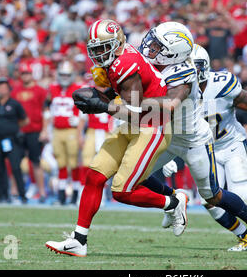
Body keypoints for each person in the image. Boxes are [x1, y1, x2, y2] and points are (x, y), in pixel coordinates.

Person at [46, 19, 186, 257]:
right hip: (135, 123)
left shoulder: (125, 64)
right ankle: (79, 241)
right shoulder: (116, 61)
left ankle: (173, 203)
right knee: (94, 176)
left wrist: (102, 105)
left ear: (117, 42)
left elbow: (138, 110)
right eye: (95, 49)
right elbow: (123, 99)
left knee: (122, 191)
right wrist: (103, 96)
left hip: (152, 126)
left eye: (103, 47)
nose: (99, 54)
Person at [137, 23, 247, 253]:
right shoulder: (171, 77)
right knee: (208, 199)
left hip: (227, 143)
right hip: (183, 141)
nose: (189, 69)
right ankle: (244, 235)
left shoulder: (221, 84)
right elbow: (163, 115)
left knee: (234, 197)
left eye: (194, 66)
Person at [0, 78, 29, 203]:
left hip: (12, 139)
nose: (1, 90)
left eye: (3, 88)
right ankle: (1, 195)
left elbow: (25, 120)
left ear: (8, 90)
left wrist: (14, 128)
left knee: (15, 167)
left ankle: (22, 195)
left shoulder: (14, 104)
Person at [45, 60, 84, 205]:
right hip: (57, 130)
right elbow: (47, 109)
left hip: (71, 131)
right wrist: (46, 129)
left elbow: (83, 113)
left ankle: (74, 195)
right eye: (62, 74)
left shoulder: (78, 88)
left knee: (73, 163)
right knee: (61, 163)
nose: (65, 77)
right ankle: (61, 196)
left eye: (67, 75)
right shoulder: (53, 89)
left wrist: (79, 131)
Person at [11, 62, 48, 203]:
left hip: (34, 130)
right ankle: (14, 191)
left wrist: (44, 130)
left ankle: (42, 192)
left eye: (27, 73)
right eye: (23, 73)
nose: (25, 76)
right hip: (19, 131)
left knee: (36, 162)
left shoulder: (40, 91)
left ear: (31, 74)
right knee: (15, 162)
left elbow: (46, 112)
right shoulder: (15, 91)